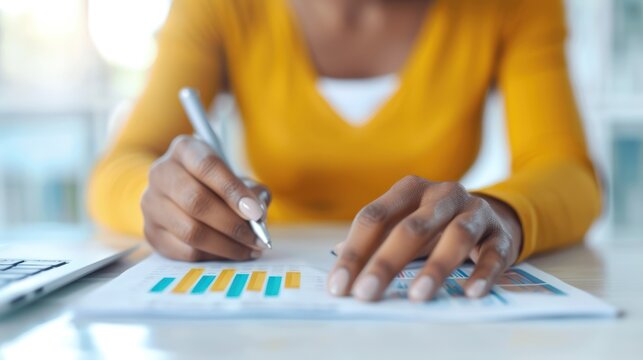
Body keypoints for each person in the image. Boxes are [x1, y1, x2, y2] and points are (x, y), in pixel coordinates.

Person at [88, 0, 601, 302]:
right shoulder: (221, 8)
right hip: (263, 270)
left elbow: (569, 172)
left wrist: (502, 215)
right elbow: (122, 165)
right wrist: (161, 201)